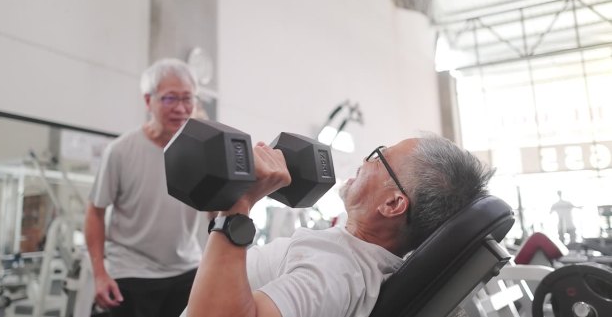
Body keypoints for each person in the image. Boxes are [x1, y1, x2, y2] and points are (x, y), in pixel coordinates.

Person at [183, 135, 494, 317]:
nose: (364, 162)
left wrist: (239, 206)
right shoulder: (355, 260)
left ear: (392, 204)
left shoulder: (337, 269)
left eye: (378, 158)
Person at [85, 58, 206, 317]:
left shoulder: (201, 153)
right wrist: (99, 273)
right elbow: (95, 212)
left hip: (187, 269)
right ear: (147, 100)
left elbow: (216, 212)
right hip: (131, 272)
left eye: (188, 98)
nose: (181, 108)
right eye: (170, 98)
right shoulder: (120, 151)